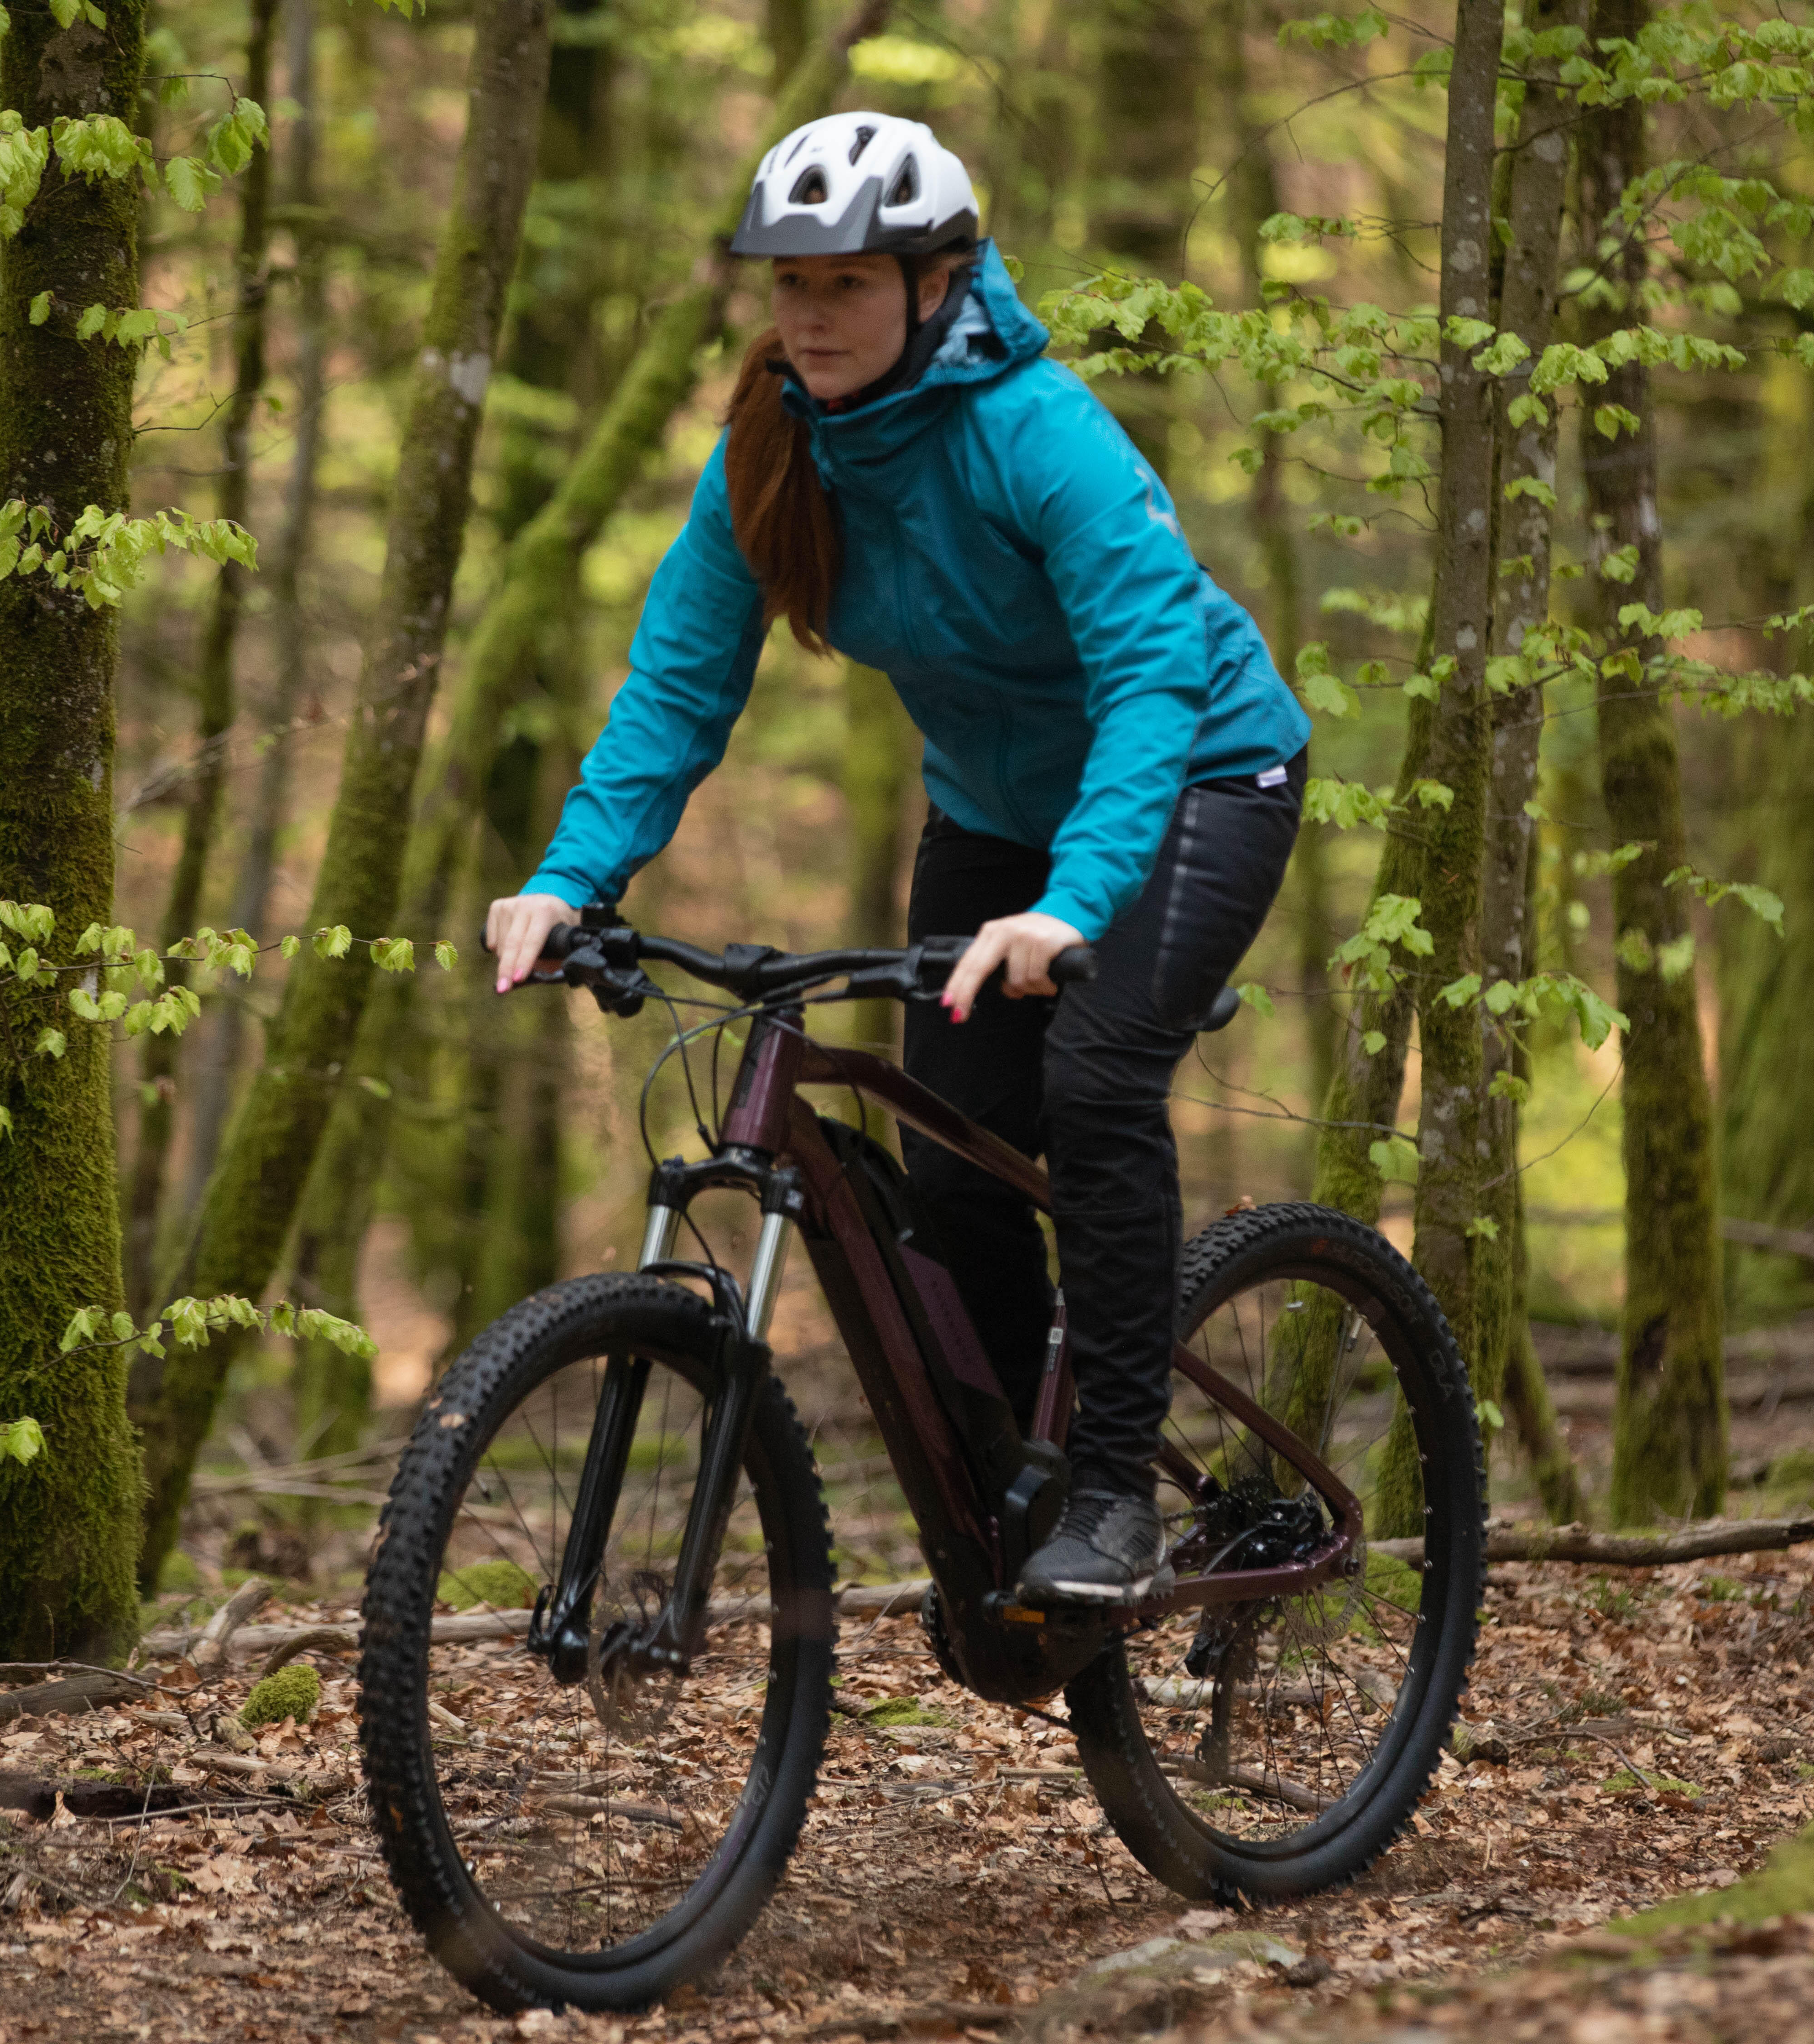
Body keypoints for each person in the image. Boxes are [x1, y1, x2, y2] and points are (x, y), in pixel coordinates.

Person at [486, 113, 1309, 1604]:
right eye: (788, 282)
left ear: (940, 284)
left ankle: (1115, 1493)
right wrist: (571, 877)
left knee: (1094, 1077)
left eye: (849, 282)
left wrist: (1074, 904)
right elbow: (681, 683)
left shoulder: (1039, 433)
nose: (809, 313)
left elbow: (1147, 680)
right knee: (957, 1161)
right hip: (992, 815)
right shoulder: (768, 451)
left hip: (1199, 777)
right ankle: (1023, 1490)